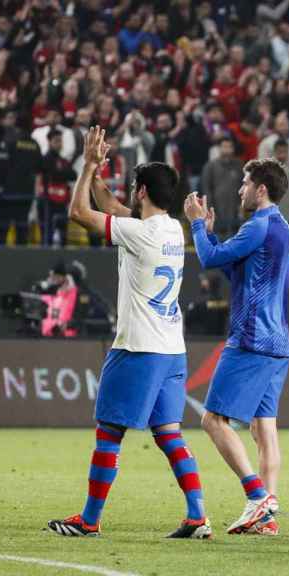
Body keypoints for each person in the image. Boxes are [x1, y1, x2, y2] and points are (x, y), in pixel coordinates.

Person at [48, 127, 210, 539]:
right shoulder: (172, 230)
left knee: (108, 432)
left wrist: (85, 168)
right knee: (169, 435)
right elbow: (117, 211)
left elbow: (79, 214)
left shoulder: (139, 233)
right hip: (173, 350)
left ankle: (89, 519)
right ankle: (197, 516)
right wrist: (98, 176)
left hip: (138, 347)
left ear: (141, 191)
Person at [185, 157, 289, 537]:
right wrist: (213, 236)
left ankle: (257, 496)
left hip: (251, 339)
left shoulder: (258, 225)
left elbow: (209, 259)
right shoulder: (283, 228)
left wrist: (197, 225)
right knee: (265, 429)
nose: (240, 189)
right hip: (278, 341)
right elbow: (238, 270)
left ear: (261, 189)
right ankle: (267, 518)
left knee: (212, 420)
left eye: (245, 183)